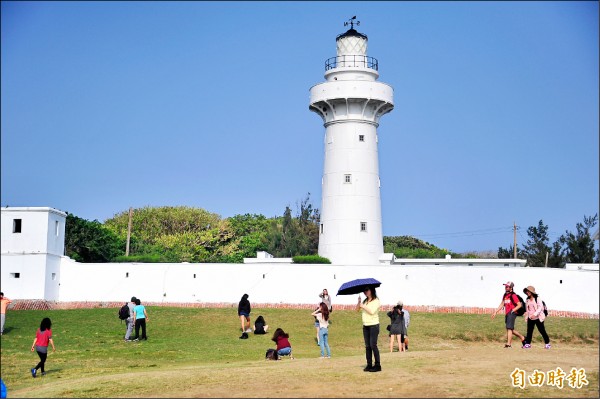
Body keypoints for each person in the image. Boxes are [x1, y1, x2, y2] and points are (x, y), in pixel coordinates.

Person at [491, 281, 526, 348]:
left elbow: (519, 305)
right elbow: (502, 304)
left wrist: (512, 311)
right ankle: (522, 337)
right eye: (505, 286)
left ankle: (508, 344)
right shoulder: (505, 295)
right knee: (509, 328)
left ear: (511, 288)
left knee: (509, 328)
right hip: (507, 313)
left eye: (507, 286)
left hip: (512, 313)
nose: (506, 287)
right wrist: (496, 311)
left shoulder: (513, 295)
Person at [357, 286, 381, 372]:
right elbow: (357, 310)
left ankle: (378, 365)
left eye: (366, 290)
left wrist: (363, 306)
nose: (365, 292)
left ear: (371, 290)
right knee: (367, 346)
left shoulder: (376, 301)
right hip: (366, 325)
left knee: (373, 345)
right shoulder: (364, 301)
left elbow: (372, 311)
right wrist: (359, 302)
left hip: (374, 325)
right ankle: (369, 364)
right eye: (364, 290)